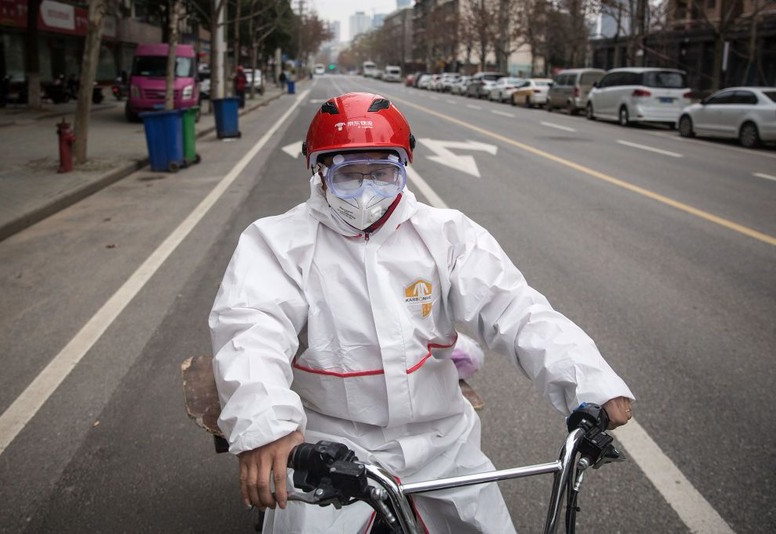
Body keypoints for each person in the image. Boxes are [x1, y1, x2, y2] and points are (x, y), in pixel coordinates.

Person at [209, 92, 634, 533]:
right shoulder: (276, 243)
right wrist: (266, 428)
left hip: (442, 445)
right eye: (349, 174)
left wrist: (590, 380)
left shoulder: (447, 235)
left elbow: (516, 309)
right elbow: (250, 329)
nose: (366, 190)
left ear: (404, 169)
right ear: (319, 172)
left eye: (382, 172)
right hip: (329, 448)